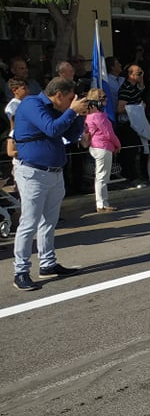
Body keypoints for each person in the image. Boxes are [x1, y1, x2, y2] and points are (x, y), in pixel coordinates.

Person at [11, 78, 89, 290]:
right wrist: (72, 112)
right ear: (59, 95)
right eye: (71, 98)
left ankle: (47, 263)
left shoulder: (57, 109)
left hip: (54, 173)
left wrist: (80, 115)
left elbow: (70, 135)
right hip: (33, 173)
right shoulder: (32, 104)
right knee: (29, 223)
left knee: (49, 221)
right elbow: (52, 129)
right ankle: (21, 271)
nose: (73, 102)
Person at [84, 88, 121, 212]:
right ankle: (102, 204)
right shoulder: (99, 116)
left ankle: (102, 202)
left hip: (95, 146)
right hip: (103, 147)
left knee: (100, 176)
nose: (106, 99)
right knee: (102, 177)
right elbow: (109, 133)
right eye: (103, 97)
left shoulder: (89, 116)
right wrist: (118, 144)